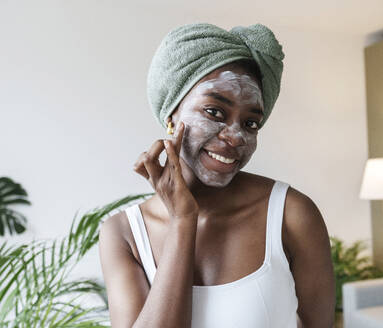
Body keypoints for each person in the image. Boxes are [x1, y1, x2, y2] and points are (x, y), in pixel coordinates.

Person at [98, 22, 335, 328]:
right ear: (172, 115)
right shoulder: (123, 233)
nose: (236, 136)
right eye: (215, 112)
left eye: (251, 123)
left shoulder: (292, 214)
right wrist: (184, 221)